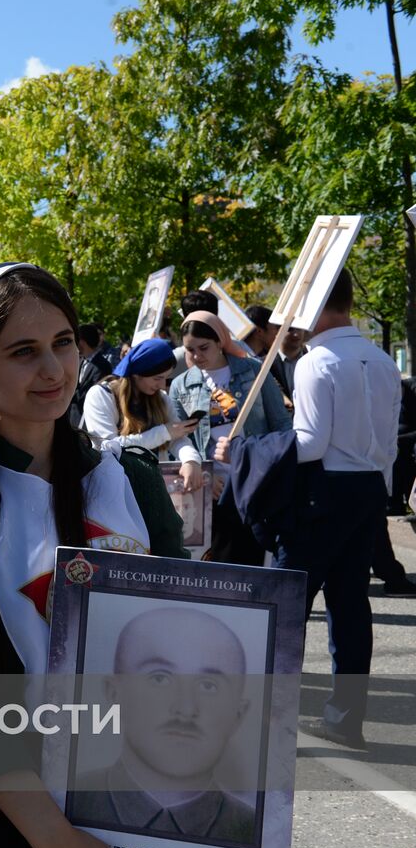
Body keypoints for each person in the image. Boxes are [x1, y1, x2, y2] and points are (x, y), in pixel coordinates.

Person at [0, 263, 186, 848]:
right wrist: (52, 838)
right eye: (23, 352)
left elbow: (187, 634)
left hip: (134, 812)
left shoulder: (131, 480)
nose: (55, 370)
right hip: (0, 820)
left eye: (63, 343)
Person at [218, 269, 400, 749]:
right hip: (367, 492)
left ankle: (266, 721)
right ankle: (345, 719)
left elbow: (311, 444)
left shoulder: (317, 361)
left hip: (325, 493)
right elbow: (386, 446)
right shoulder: (382, 360)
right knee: (350, 606)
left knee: (286, 606)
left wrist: (243, 451)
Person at [68, 607, 256, 847]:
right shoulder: (62, 803)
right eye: (160, 678)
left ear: (238, 715)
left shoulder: (255, 832)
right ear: (114, 693)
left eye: (209, 686)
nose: (186, 708)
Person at [169, 311, 290, 564]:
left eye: (204, 348)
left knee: (255, 559)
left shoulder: (254, 370)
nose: (196, 356)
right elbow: (179, 440)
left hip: (255, 479)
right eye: (189, 350)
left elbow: (280, 424)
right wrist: (204, 474)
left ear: (221, 341)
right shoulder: (181, 385)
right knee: (221, 562)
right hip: (213, 489)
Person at [82, 338, 204, 494]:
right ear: (137, 374)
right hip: (115, 489)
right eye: (157, 378)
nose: (162, 385)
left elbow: (177, 439)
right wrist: (164, 432)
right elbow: (108, 447)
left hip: (155, 488)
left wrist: (191, 460)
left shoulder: (161, 398)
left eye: (166, 378)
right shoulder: (101, 395)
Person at [68, 323, 112, 428]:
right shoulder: (80, 361)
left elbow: (97, 395)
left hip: (89, 421)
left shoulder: (102, 366)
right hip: (74, 418)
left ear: (82, 342)